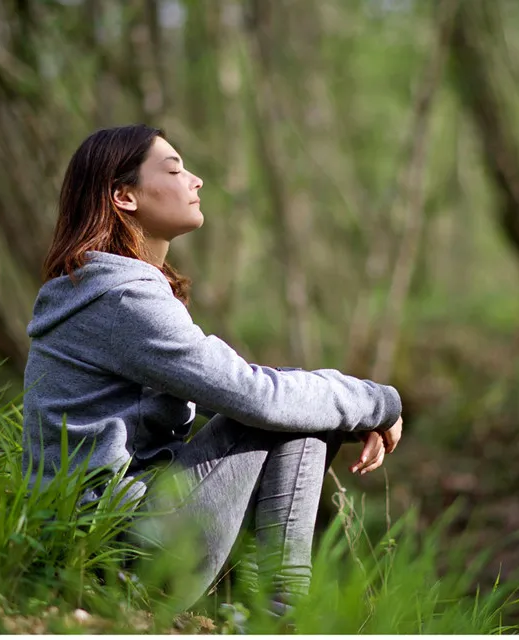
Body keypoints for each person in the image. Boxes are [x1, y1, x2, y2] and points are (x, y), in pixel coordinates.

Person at [22, 124, 403, 619]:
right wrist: (378, 402)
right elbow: (257, 398)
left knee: (294, 404)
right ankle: (283, 613)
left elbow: (249, 389)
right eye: (176, 169)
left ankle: (277, 609)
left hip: (101, 544)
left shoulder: (100, 291)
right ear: (124, 196)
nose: (196, 180)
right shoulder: (123, 299)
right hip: (120, 555)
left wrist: (350, 412)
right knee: (281, 409)